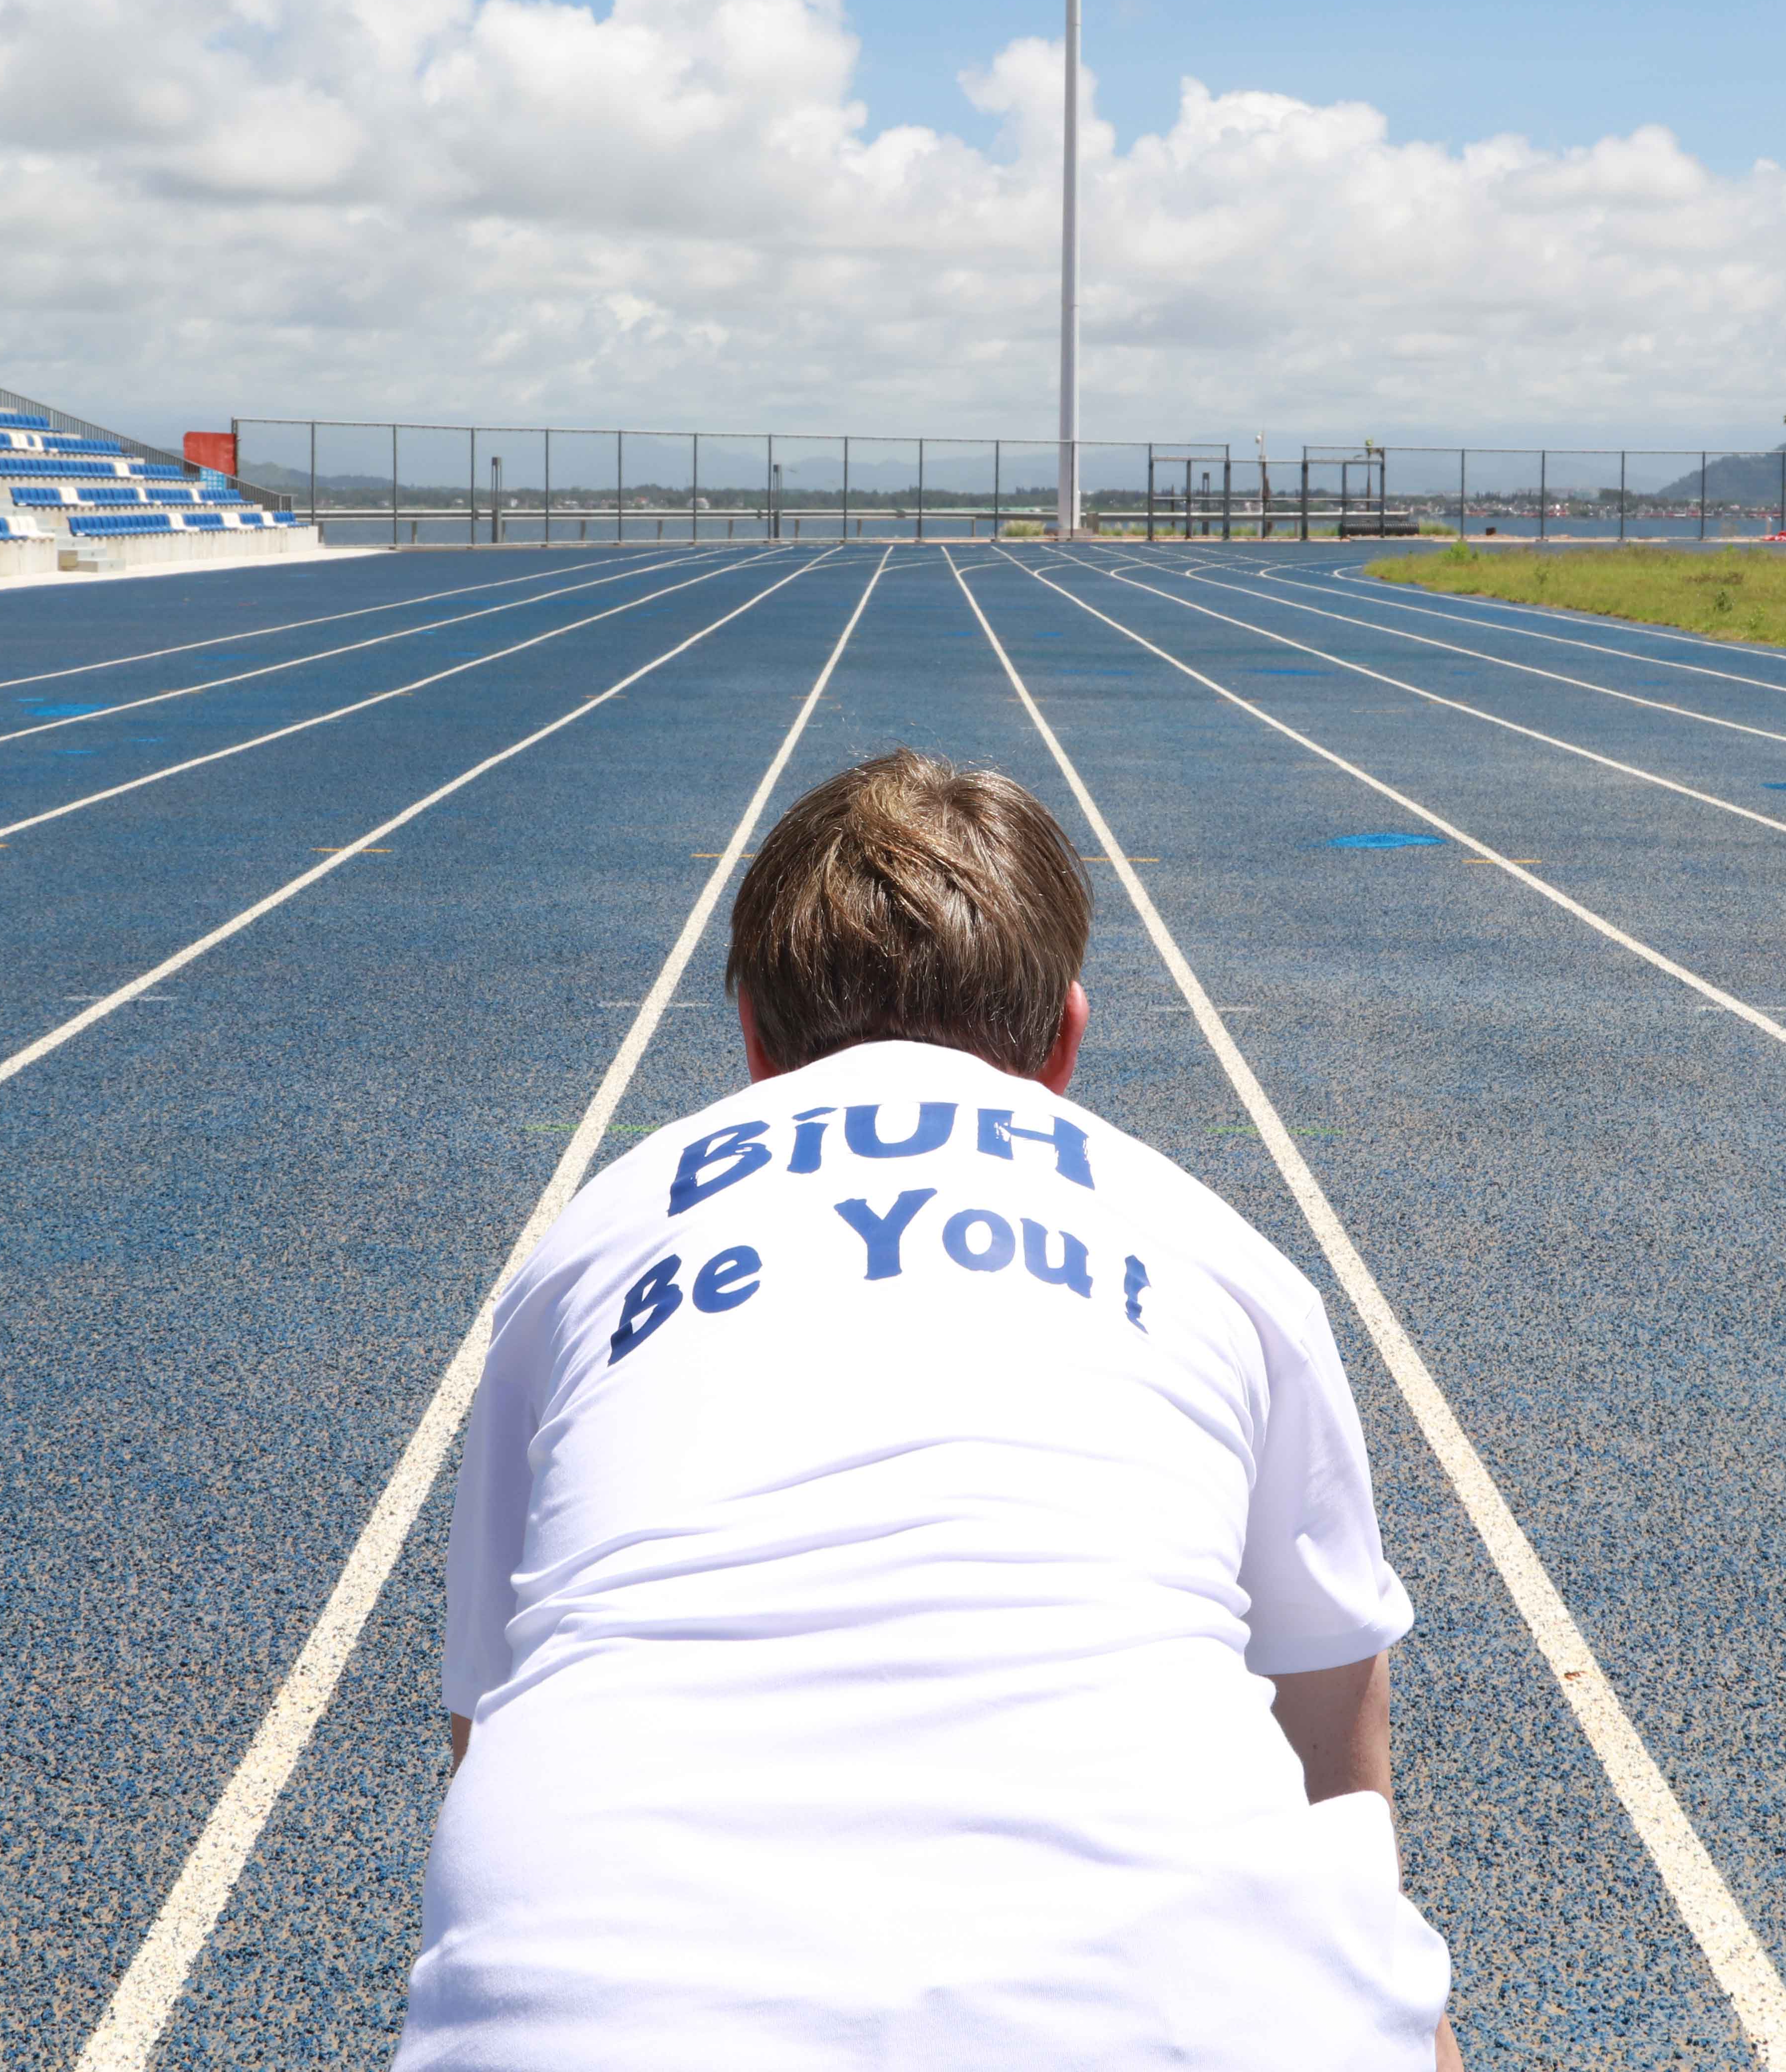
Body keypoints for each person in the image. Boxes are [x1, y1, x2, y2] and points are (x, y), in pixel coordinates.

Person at [396, 748, 1459, 2070]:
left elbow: (486, 1731)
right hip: (1192, 1996)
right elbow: (1337, 1776)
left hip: (602, 1998)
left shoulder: (581, 1253)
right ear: (1066, 1041)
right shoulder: (1229, 1262)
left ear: (752, 1050)